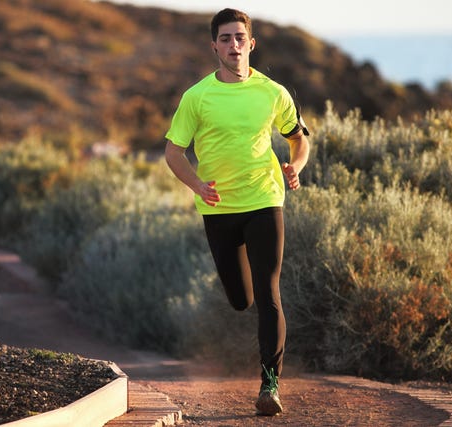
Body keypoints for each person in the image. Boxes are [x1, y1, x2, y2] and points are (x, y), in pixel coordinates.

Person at [164, 8, 310, 417]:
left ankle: (270, 384)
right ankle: (257, 344)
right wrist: (196, 185)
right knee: (240, 298)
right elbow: (173, 152)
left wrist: (295, 167)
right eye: (225, 38)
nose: (234, 45)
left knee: (268, 293)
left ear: (252, 43)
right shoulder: (197, 97)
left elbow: (299, 140)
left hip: (265, 199)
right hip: (218, 207)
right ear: (214, 46)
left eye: (240, 38)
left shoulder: (273, 92)